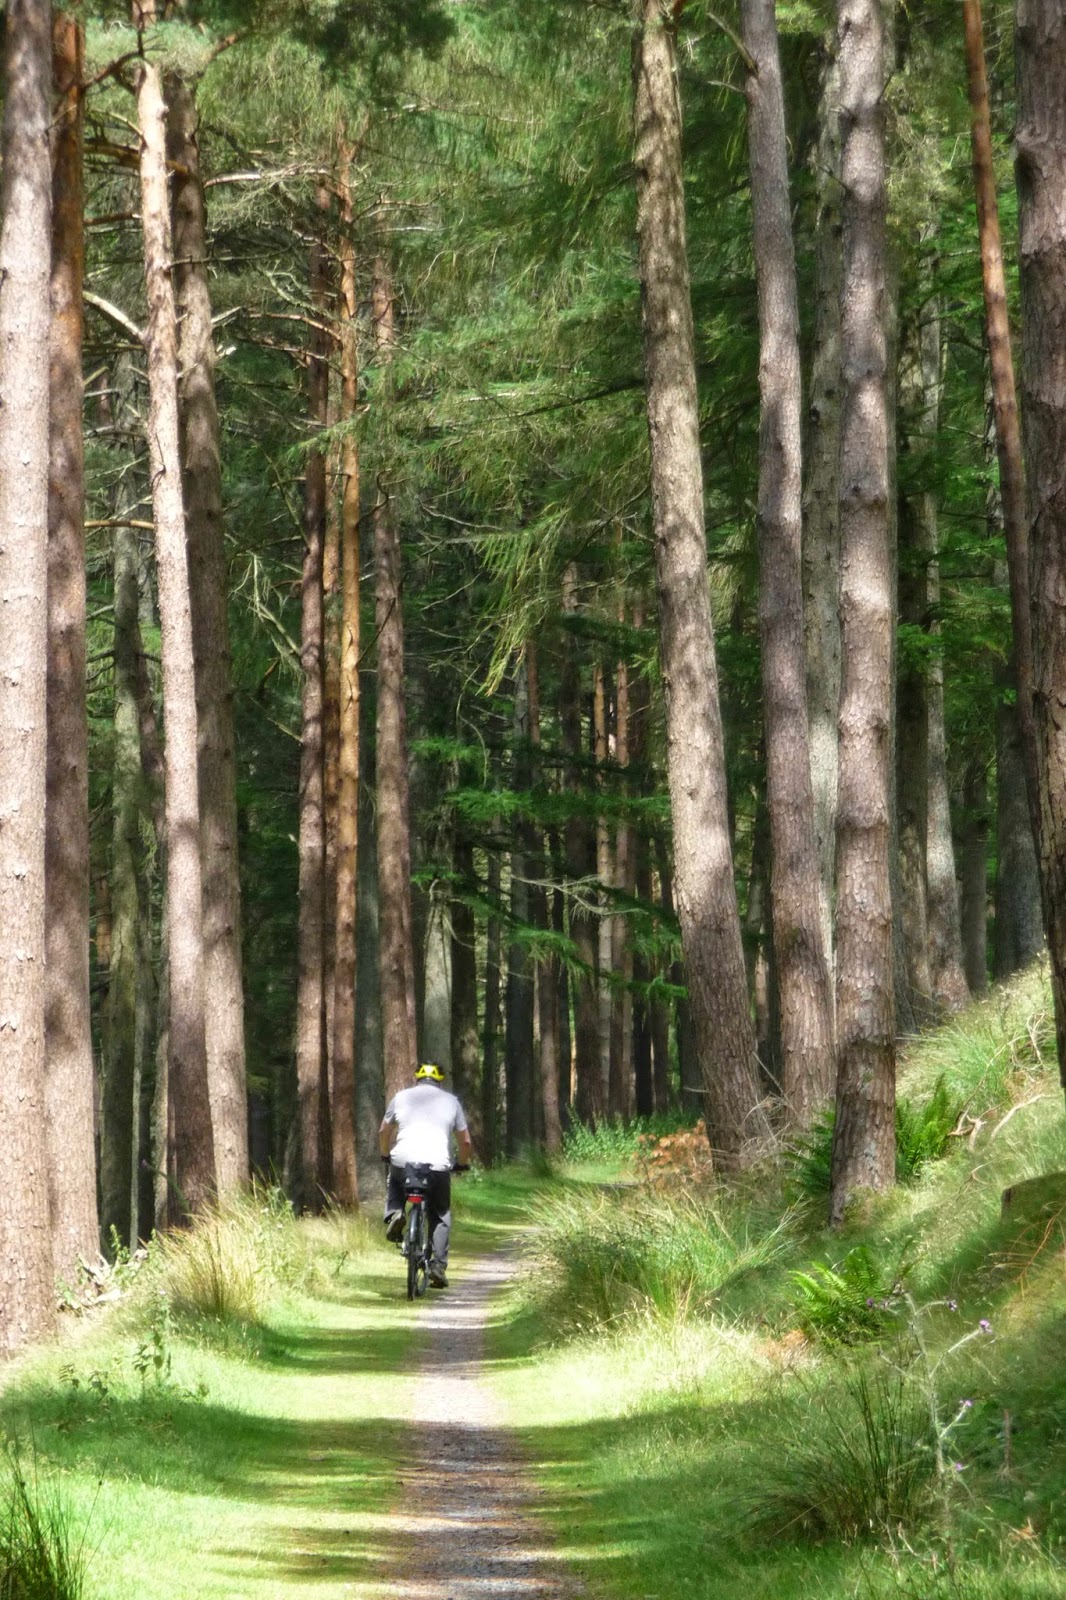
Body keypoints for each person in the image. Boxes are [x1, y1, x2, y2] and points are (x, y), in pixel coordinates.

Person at [379, 1062, 472, 1289]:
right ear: (440, 1081)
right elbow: (465, 1141)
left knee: (395, 1182)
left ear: (417, 1079)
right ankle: (438, 1267)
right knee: (440, 1215)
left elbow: (383, 1131)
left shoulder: (400, 1097)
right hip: (437, 1165)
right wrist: (461, 1164)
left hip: (404, 1161)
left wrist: (385, 1154)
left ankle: (396, 1213)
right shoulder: (452, 1102)